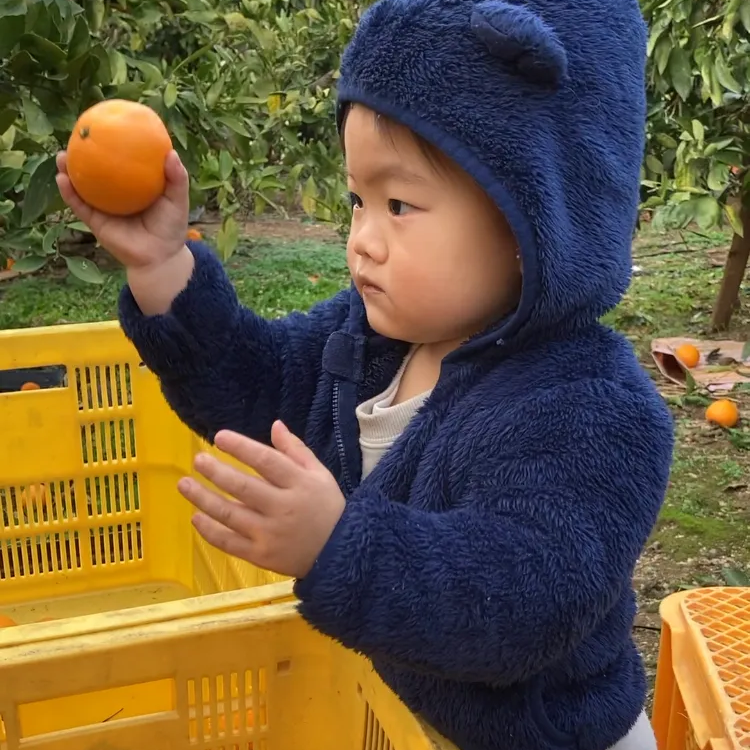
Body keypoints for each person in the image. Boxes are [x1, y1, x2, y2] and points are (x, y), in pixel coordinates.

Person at [56, 0, 674, 747]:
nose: (363, 241)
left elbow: (517, 604)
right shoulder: (374, 339)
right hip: (411, 712)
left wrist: (339, 545)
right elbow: (257, 383)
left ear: (531, 219)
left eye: (399, 204)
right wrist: (162, 265)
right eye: (358, 200)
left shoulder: (590, 408)